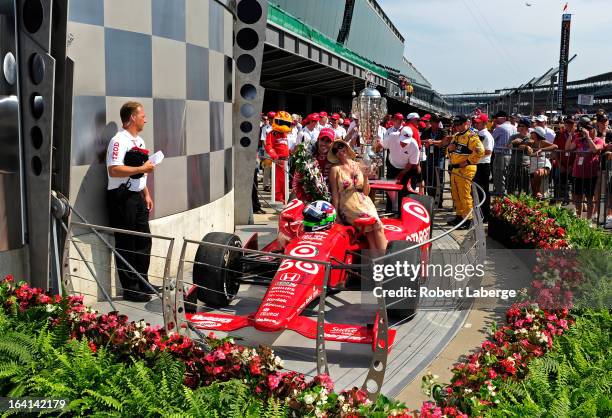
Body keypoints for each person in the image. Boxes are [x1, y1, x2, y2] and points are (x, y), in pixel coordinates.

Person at [106, 101, 157, 302]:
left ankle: (143, 281)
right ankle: (131, 288)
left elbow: (139, 171)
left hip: (137, 197)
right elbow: (114, 169)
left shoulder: (140, 141)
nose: (145, 118)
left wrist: (146, 193)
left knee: (144, 240)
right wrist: (142, 169)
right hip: (122, 197)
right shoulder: (119, 140)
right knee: (126, 242)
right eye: (142, 115)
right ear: (132, 118)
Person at [328, 139, 387, 252]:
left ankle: (379, 264)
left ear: (346, 147)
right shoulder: (335, 170)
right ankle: (386, 262)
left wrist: (365, 177)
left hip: (365, 201)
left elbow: (366, 192)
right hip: (348, 205)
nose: (339, 150)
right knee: (376, 226)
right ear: (335, 154)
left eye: (341, 146)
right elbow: (335, 195)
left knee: (372, 233)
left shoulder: (359, 164)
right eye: (336, 150)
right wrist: (336, 216)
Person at [447, 115, 485, 228]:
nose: (457, 127)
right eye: (456, 125)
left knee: (464, 194)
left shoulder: (471, 136)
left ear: (466, 123)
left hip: (466, 169)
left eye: (459, 124)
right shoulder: (456, 136)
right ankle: (459, 216)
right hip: (455, 168)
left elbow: (480, 151)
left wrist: (468, 162)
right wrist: (450, 149)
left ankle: (469, 220)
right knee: (456, 194)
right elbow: (449, 150)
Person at [566, 117, 604, 220]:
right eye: (586, 129)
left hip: (591, 173)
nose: (587, 131)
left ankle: (588, 220)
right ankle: (578, 218)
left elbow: (595, 150)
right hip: (577, 172)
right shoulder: (579, 140)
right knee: (577, 197)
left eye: (590, 129)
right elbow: (568, 148)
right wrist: (571, 135)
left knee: (589, 198)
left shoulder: (598, 140)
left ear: (594, 130)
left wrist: (588, 137)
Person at [422, 114, 448, 207]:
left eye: (438, 122)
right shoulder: (426, 131)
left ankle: (439, 200)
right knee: (429, 177)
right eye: (435, 121)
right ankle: (430, 199)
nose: (437, 123)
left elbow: (444, 142)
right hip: (429, 156)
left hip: (440, 157)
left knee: (439, 177)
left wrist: (432, 142)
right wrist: (427, 142)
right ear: (431, 122)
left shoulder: (443, 131)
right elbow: (421, 140)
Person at [265, 111, 291, 202]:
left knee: (285, 181)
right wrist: (275, 156)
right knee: (278, 180)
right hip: (278, 160)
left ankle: (284, 197)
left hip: (286, 160)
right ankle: (278, 197)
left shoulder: (285, 134)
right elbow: (268, 145)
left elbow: (286, 146)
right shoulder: (272, 133)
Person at [472, 114, 493, 221]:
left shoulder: (487, 135)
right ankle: (480, 213)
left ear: (484, 123)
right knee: (478, 190)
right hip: (478, 164)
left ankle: (485, 214)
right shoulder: (478, 133)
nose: (476, 123)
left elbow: (488, 151)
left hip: (483, 165)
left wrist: (475, 152)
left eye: (478, 122)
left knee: (483, 190)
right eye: (476, 122)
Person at [551, 116, 577, 204]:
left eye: (571, 124)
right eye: (567, 124)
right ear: (565, 125)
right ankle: (558, 199)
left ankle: (571, 200)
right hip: (560, 162)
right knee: (558, 181)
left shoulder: (578, 135)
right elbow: (555, 150)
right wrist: (559, 164)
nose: (569, 126)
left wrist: (572, 166)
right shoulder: (559, 134)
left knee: (574, 183)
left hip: (573, 164)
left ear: (574, 125)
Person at [527, 127, 557, 198]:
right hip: (533, 167)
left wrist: (542, 149)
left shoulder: (542, 142)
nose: (531, 134)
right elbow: (520, 145)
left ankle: (538, 192)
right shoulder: (530, 143)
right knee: (533, 190)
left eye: (533, 132)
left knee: (537, 173)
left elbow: (555, 146)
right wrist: (526, 147)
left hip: (544, 165)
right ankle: (536, 198)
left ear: (537, 134)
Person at [492, 110, 517, 194]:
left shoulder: (500, 128)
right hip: (511, 154)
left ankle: (500, 192)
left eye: (497, 118)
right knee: (508, 174)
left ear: (503, 118)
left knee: (499, 174)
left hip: (501, 154)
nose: (496, 120)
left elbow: (492, 139)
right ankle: (508, 192)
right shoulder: (514, 127)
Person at [506, 118, 532, 195]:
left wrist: (527, 147)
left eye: (521, 126)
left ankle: (522, 205)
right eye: (518, 125)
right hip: (513, 164)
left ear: (526, 128)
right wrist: (514, 142)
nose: (518, 127)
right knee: (511, 187)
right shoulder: (514, 137)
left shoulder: (531, 137)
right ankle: (510, 204)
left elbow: (532, 152)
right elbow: (507, 147)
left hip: (525, 165)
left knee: (524, 188)